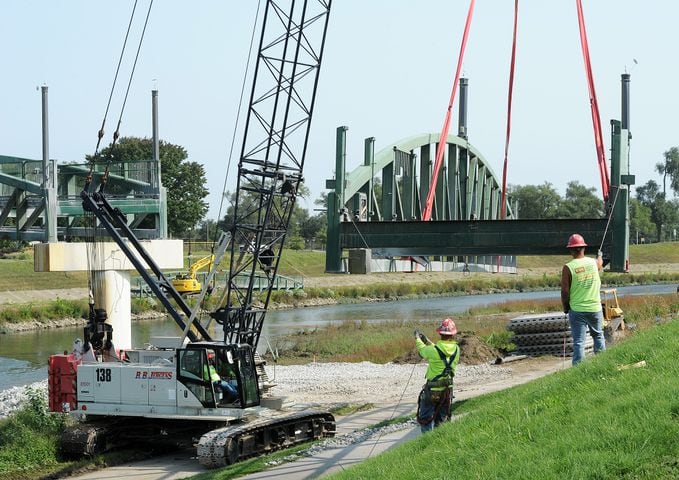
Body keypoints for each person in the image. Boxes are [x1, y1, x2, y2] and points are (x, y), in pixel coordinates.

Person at [561, 233, 606, 365]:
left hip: (577, 310)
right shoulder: (593, 263)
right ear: (583, 248)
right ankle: (603, 363)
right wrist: (600, 255)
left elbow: (564, 291)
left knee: (579, 342)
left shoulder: (568, 268)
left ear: (571, 250)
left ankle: (578, 369)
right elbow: (600, 263)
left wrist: (565, 307)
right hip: (595, 308)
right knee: (598, 336)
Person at [414, 318, 460, 433]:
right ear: (453, 334)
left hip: (432, 391)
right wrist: (428, 341)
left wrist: (417, 339)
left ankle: (426, 442)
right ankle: (440, 440)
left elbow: (422, 351)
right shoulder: (457, 350)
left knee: (425, 419)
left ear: (440, 333)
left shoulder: (433, 350)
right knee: (442, 419)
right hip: (447, 390)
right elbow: (441, 352)